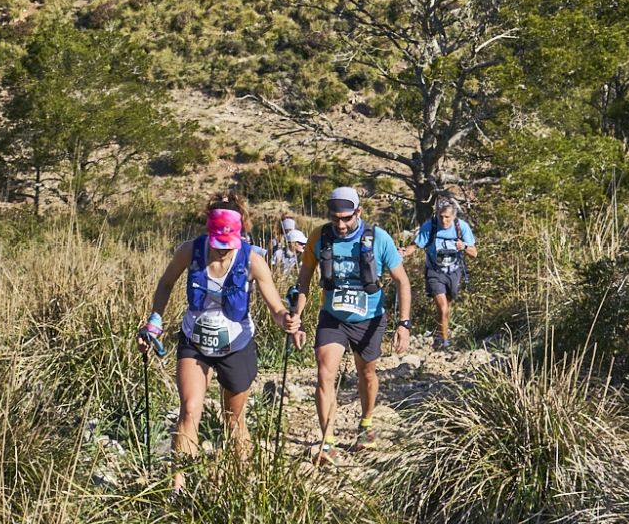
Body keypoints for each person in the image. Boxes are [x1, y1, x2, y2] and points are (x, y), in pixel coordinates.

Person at [139, 196, 301, 459]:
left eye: (228, 244)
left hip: (236, 345)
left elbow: (276, 307)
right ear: (208, 231)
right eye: (217, 244)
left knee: (234, 421)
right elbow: (166, 283)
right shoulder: (190, 251)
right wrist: (154, 322)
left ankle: (241, 482)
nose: (222, 250)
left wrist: (286, 320)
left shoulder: (253, 261)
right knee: (190, 409)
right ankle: (178, 489)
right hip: (195, 341)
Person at [296, 185, 410, 461]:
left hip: (369, 318)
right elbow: (304, 279)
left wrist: (403, 324)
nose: (341, 224)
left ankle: (366, 424)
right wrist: (296, 315)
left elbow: (402, 281)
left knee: (367, 373)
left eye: (347, 218)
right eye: (336, 218)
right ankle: (327, 441)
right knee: (325, 373)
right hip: (333, 317)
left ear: (358, 212)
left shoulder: (378, 238)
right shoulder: (319, 237)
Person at [407, 194, 478, 348]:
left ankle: (439, 333)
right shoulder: (430, 226)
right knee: (443, 307)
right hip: (434, 272)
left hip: (454, 271)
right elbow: (416, 245)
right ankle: (444, 342)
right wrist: (402, 252)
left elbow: (474, 253)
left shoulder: (461, 227)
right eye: (441, 216)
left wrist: (464, 246)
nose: (444, 220)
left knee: (447, 307)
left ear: (454, 216)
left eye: (447, 217)